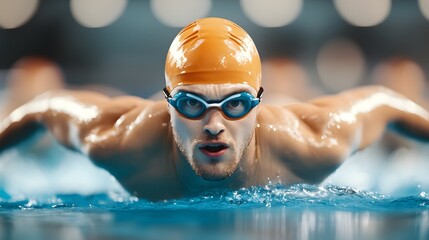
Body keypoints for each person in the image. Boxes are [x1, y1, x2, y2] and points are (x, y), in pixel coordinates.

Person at [1, 18, 429, 201]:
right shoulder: (121, 141)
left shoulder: (312, 142)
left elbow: (387, 104)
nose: (213, 125)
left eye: (236, 104)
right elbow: (44, 107)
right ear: (166, 102)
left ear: (259, 101)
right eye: (191, 104)